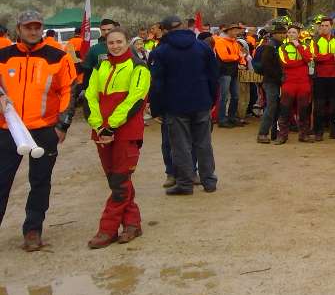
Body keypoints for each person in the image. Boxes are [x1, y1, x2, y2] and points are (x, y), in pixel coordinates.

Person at [0, 11, 76, 251]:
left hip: (43, 130)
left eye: (37, 27)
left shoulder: (58, 57)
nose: (33, 31)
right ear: (19, 29)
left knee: (40, 182)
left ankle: (33, 230)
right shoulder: (3, 56)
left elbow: (70, 90)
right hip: (8, 129)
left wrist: (62, 124)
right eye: (28, 27)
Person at [83, 27, 150, 248]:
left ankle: (107, 229)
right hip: (102, 132)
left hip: (126, 132)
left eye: (119, 42)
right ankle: (132, 224)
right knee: (116, 180)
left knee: (120, 182)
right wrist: (97, 124)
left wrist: (111, 126)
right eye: (111, 42)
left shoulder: (139, 67)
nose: (115, 46)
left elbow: (135, 100)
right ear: (106, 44)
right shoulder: (101, 66)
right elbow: (90, 95)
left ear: (127, 42)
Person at [148, 15, 219, 195]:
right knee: (204, 143)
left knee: (180, 146)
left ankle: (185, 184)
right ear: (183, 27)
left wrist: (156, 109)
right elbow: (213, 76)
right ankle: (209, 181)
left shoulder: (160, 52)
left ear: (164, 30)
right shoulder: (202, 47)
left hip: (175, 105)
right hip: (202, 101)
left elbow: (157, 84)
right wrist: (212, 99)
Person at [277, 24, 314, 144]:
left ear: (298, 34)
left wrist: (298, 47)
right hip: (289, 82)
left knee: (303, 109)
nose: (291, 35)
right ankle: (283, 136)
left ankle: (303, 135)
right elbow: (286, 63)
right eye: (290, 33)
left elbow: (309, 59)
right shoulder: (282, 47)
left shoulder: (304, 46)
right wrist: (302, 62)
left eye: (294, 33)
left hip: (304, 82)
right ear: (287, 34)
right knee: (285, 109)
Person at [254, 19, 286, 144]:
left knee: (276, 107)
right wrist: (280, 77)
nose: (283, 35)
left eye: (284, 33)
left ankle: (274, 132)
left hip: (275, 80)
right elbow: (267, 67)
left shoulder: (278, 46)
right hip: (271, 81)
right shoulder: (270, 47)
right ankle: (262, 133)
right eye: (281, 33)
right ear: (274, 34)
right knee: (271, 107)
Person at [310, 16, 335, 141]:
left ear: (331, 27)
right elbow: (315, 57)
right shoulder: (315, 41)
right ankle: (318, 132)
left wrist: (326, 58)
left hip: (334, 77)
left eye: (326, 26)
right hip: (319, 77)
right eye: (322, 26)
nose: (323, 28)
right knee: (319, 105)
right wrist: (331, 57)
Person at [213, 23, 245, 128]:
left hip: (233, 71)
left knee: (235, 96)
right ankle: (222, 119)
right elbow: (224, 57)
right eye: (235, 30)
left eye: (237, 30)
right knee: (224, 97)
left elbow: (240, 55)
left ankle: (231, 117)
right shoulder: (220, 42)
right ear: (229, 31)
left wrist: (242, 61)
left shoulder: (235, 42)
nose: (237, 32)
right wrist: (238, 57)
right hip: (224, 72)